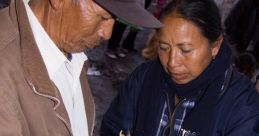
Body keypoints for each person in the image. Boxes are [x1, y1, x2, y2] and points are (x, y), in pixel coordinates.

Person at [0, 0, 162, 135]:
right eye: (103, 17)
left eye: (115, 19)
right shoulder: (5, 69)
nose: (107, 33)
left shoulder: (72, 52)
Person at [101, 0, 259, 135]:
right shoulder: (143, 78)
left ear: (215, 46)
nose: (172, 62)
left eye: (185, 50)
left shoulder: (242, 102)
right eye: (164, 47)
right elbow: (113, 127)